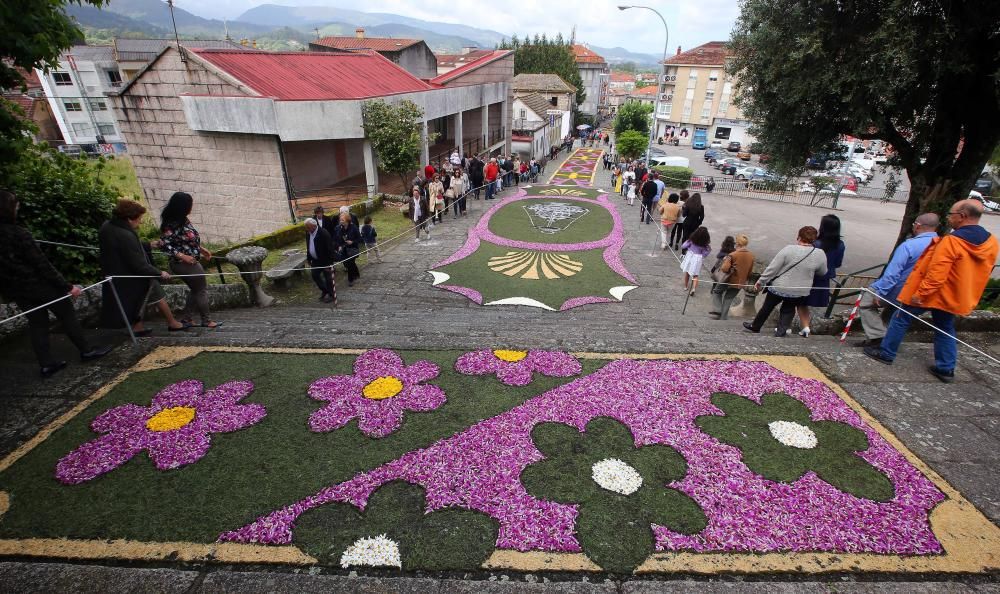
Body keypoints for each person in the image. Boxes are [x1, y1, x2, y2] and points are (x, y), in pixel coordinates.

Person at [865, 199, 999, 383]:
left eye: (951, 214)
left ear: (962, 216)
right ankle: (946, 368)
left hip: (934, 293)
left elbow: (937, 273)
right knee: (944, 328)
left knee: (900, 317)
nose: (949, 218)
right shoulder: (991, 242)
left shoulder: (952, 241)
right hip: (957, 295)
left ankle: (886, 352)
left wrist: (920, 294)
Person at [0, 190, 111, 376]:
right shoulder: (18, 234)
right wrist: (67, 287)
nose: (18, 207)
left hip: (18, 289)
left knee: (37, 324)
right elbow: (42, 264)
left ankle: (46, 363)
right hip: (40, 285)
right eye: (15, 204)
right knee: (67, 316)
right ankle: (86, 350)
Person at [99, 199, 187, 337]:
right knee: (157, 294)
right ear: (129, 219)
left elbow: (126, 248)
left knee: (141, 300)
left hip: (116, 272)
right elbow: (138, 263)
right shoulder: (125, 235)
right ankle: (172, 323)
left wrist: (148, 246)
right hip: (130, 275)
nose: (140, 222)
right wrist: (159, 272)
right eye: (139, 219)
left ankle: (138, 326)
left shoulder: (108, 226)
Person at [854, 213, 939, 347]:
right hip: (918, 290)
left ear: (917, 226)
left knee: (865, 303)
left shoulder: (909, 245)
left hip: (896, 288)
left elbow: (893, 273)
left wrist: (880, 291)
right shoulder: (941, 245)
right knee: (892, 312)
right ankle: (883, 336)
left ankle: (878, 336)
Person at [743, 226, 828, 337]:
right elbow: (822, 272)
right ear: (814, 239)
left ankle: (755, 326)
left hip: (779, 286)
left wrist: (761, 281)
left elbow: (773, 268)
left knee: (767, 306)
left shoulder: (788, 249)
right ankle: (781, 331)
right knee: (788, 309)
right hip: (799, 290)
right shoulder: (820, 253)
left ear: (799, 237)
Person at [160, 191, 220, 328]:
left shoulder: (183, 219)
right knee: (201, 290)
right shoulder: (170, 224)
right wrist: (183, 256)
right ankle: (207, 320)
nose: (191, 207)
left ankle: (187, 319)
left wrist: (201, 249)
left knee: (196, 289)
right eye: (189, 205)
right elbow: (165, 245)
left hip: (191, 260)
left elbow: (189, 240)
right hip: (182, 263)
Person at [795, 214, 846, 337]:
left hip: (809, 277)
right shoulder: (840, 244)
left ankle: (804, 326)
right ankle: (806, 327)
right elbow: (838, 263)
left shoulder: (816, 244)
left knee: (800, 302)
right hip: (825, 278)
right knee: (810, 303)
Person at [710, 234, 754, 320]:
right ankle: (723, 317)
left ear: (737, 244)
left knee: (717, 292)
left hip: (728, 279)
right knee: (729, 298)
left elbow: (724, 269)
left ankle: (718, 310)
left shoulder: (733, 255)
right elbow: (750, 272)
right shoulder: (751, 256)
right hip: (740, 282)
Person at [304, 218, 336, 304]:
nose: (307, 229)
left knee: (328, 278)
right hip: (315, 260)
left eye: (308, 227)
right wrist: (309, 258)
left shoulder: (324, 233)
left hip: (325, 260)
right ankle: (324, 290)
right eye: (306, 227)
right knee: (315, 275)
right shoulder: (308, 233)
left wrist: (329, 263)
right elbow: (308, 246)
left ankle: (331, 294)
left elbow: (330, 249)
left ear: (314, 226)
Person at [680, 226, 712, 296]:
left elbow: (683, 246)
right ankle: (693, 288)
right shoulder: (705, 244)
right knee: (695, 274)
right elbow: (705, 254)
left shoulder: (691, 240)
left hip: (690, 256)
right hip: (698, 258)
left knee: (687, 272)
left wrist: (688, 245)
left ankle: (685, 286)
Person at [333, 212, 362, 286]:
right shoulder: (338, 228)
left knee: (350, 263)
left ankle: (350, 279)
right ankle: (356, 274)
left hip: (352, 248)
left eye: (342, 220)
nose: (341, 221)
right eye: (340, 220)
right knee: (348, 263)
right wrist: (338, 246)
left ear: (347, 220)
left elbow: (359, 238)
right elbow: (336, 239)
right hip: (343, 249)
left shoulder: (353, 227)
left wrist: (352, 242)